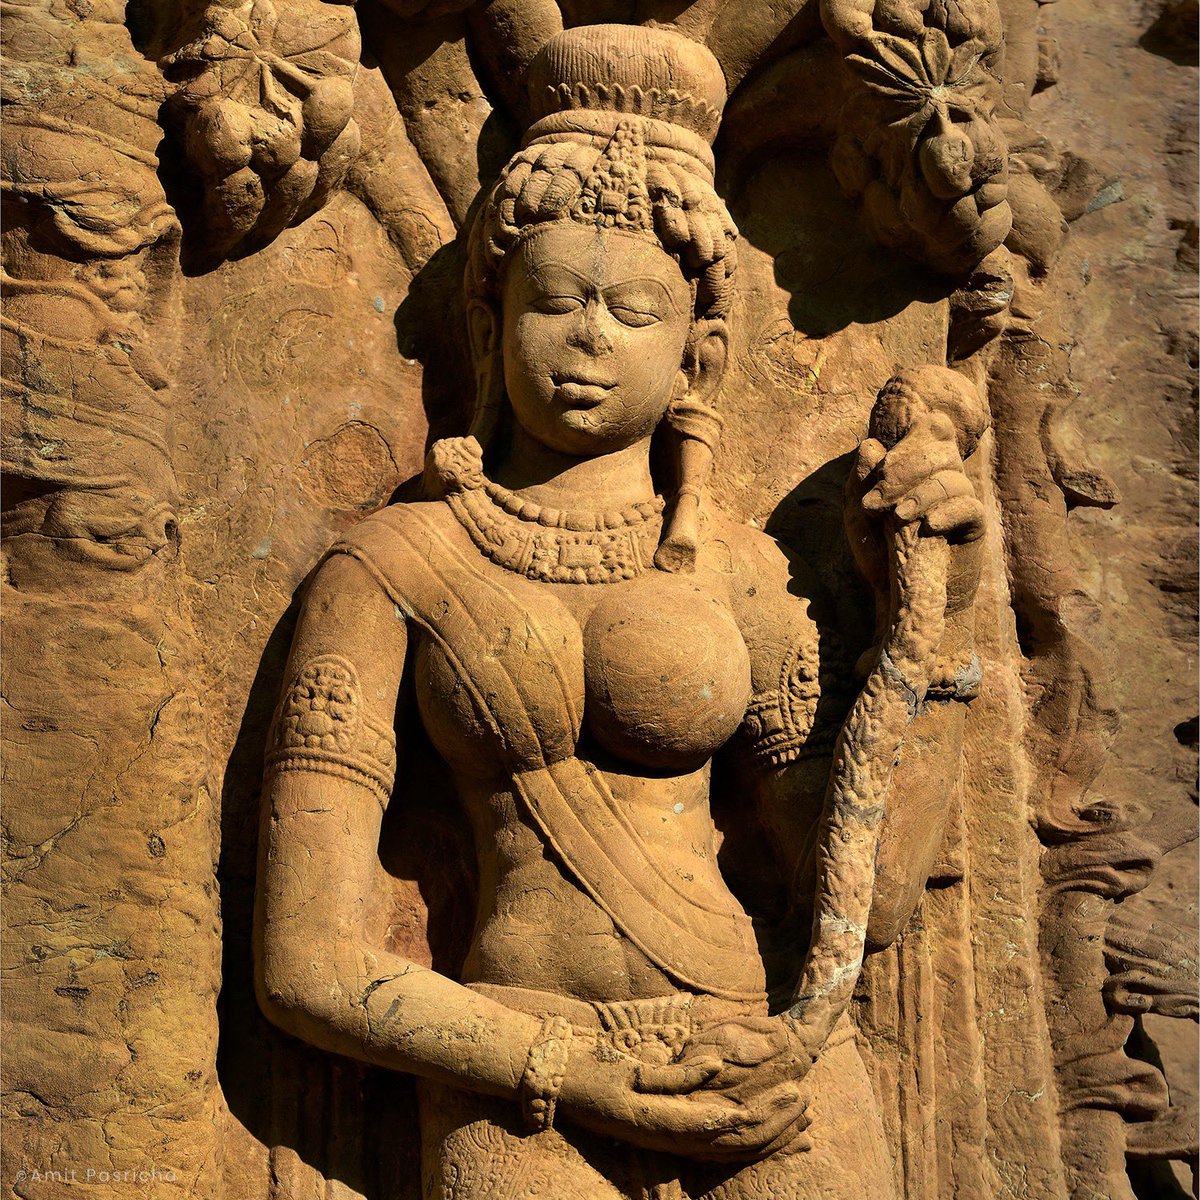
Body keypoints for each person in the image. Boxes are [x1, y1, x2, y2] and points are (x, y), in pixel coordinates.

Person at [254, 23, 985, 1199]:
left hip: (755, 1060)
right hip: (524, 1078)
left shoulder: (738, 572)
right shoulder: (393, 566)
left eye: (633, 311)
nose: (588, 338)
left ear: (698, 352)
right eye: (552, 301)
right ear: (490, 321)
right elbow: (306, 960)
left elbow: (870, 895)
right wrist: (571, 1072)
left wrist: (928, 625)